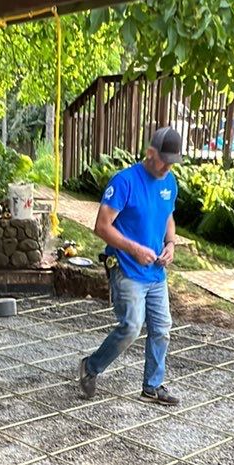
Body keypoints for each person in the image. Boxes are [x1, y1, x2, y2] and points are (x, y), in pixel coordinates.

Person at [78, 127, 183, 407]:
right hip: (126, 268)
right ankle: (90, 367)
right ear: (150, 153)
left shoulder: (169, 182)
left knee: (162, 329)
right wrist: (134, 249)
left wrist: (170, 244)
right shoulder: (124, 182)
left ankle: (152, 386)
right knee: (132, 326)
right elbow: (101, 227)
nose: (168, 166)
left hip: (156, 273)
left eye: (173, 161)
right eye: (164, 160)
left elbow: (168, 218)